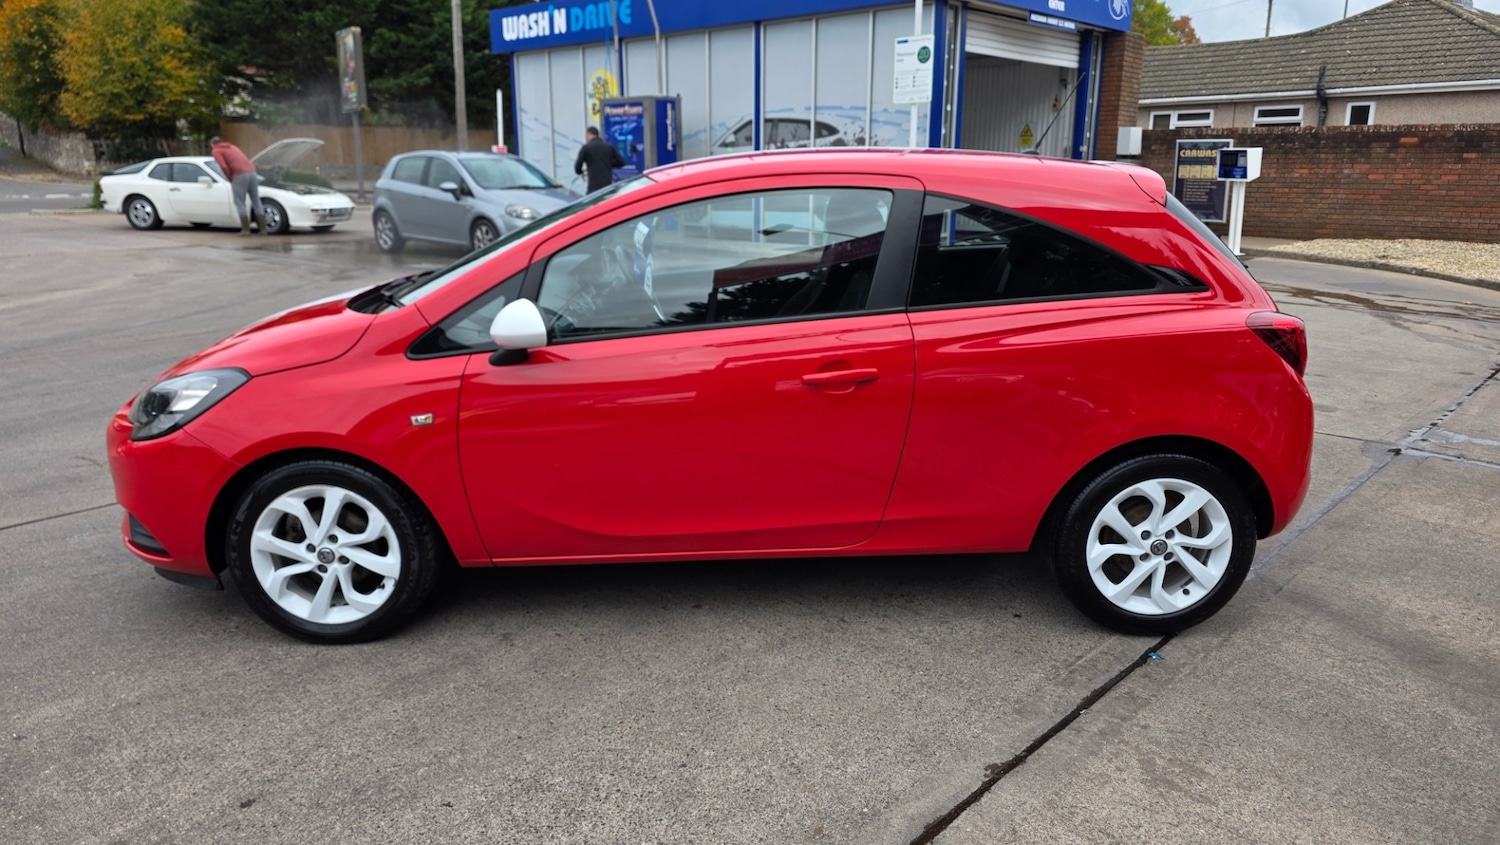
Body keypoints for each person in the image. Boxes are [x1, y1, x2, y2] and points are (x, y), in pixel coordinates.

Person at [210, 136, 267, 236]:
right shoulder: (233, 147)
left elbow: (223, 166)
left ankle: (246, 230)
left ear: (212, 144)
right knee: (256, 201)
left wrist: (229, 177)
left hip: (239, 174)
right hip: (252, 172)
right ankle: (263, 230)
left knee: (239, 201)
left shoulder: (216, 150)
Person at [575, 126, 625, 193]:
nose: (586, 138)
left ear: (589, 134)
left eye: (586, 136)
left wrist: (583, 171)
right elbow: (622, 162)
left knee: (591, 202)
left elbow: (577, 168)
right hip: (607, 185)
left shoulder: (586, 148)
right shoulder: (608, 147)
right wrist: (608, 163)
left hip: (593, 186)